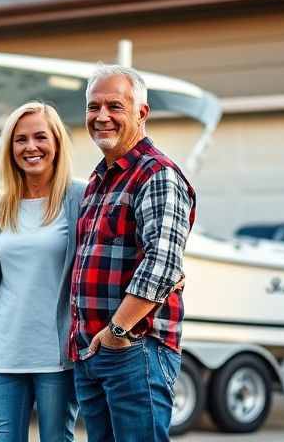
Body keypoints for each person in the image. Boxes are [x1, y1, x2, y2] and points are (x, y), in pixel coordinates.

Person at [70, 64, 196, 442]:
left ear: (141, 113)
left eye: (114, 106)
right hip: (94, 352)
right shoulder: (98, 180)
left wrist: (117, 331)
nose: (101, 116)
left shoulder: (156, 174)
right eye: (93, 107)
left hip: (134, 349)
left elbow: (161, 264)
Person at [0, 101, 83, 442]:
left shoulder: (80, 197)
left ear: (56, 143)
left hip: (56, 354)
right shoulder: (0, 205)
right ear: (10, 148)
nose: (31, 147)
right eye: (20, 140)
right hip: (6, 350)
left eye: (40, 137)